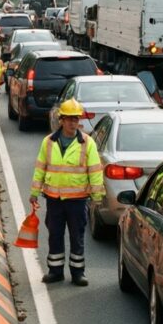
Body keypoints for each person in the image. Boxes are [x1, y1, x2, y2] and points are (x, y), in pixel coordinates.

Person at [28, 99, 104, 286]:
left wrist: (97, 198)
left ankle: (78, 273)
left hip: (77, 200)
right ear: (61, 120)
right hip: (54, 199)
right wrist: (34, 192)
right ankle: (55, 271)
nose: (72, 122)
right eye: (69, 119)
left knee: (77, 237)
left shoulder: (87, 143)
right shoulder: (48, 142)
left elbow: (95, 171)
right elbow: (40, 168)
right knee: (55, 235)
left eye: (75, 119)